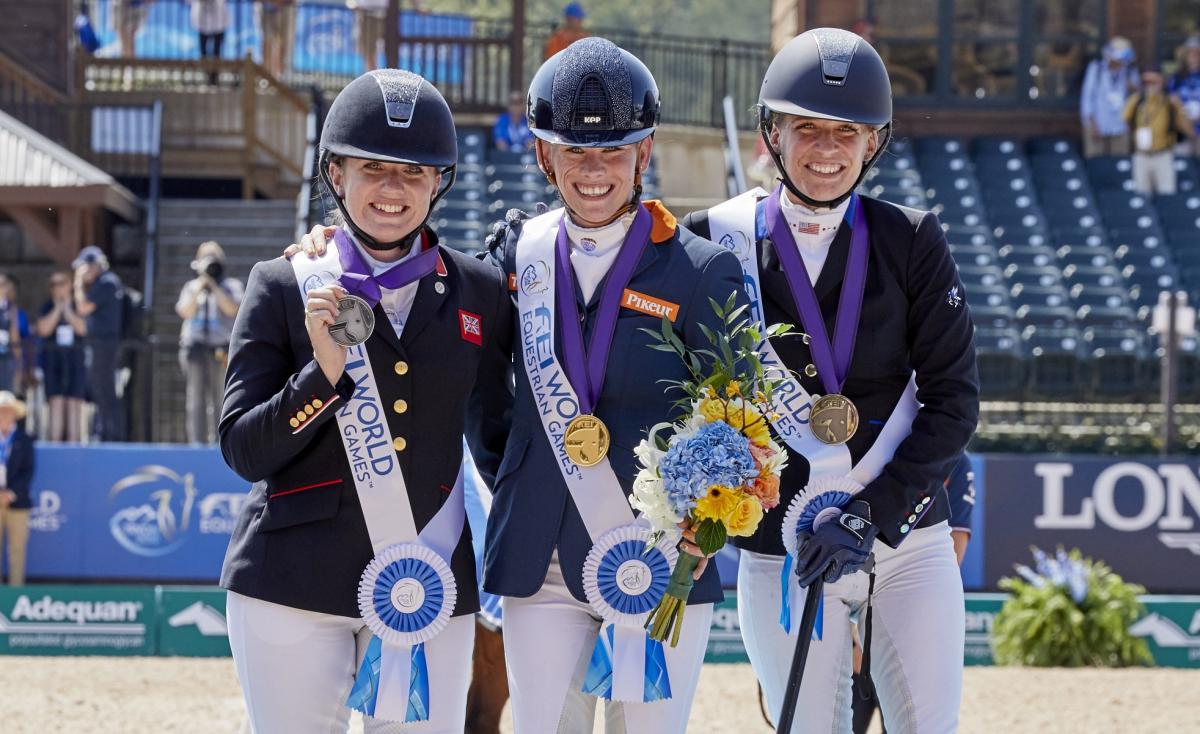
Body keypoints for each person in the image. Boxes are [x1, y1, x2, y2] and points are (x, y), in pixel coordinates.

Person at [682, 27, 979, 734]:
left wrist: (869, 514)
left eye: (846, 132)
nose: (825, 149)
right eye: (806, 128)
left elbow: (954, 400)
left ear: (872, 143)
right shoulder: (711, 241)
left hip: (905, 538)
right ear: (772, 135)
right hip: (780, 549)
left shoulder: (912, 240)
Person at [219, 69, 511, 732]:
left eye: (414, 172)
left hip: (428, 587)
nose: (392, 189)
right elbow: (243, 448)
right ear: (335, 174)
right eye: (372, 168)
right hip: (292, 587)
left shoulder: (481, 293)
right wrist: (321, 378)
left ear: (440, 182)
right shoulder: (284, 284)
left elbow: (499, 433)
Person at [483, 37, 745, 733]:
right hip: (536, 560)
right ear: (544, 156)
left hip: (661, 561)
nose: (593, 170)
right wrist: (525, 474)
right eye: (574, 151)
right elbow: (483, 401)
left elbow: (739, 417)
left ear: (645, 152)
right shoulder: (514, 255)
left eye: (613, 151)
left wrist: (702, 525)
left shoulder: (701, 270)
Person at [850, 453, 975, 734]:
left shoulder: (953, 459)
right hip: (850, 621)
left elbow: (953, 546)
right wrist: (852, 638)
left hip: (901, 614)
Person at [175, 241, 243, 444]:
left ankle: (219, 442)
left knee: (220, 397)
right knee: (195, 397)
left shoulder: (231, 286)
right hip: (194, 349)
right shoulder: (191, 287)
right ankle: (196, 442)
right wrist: (201, 285)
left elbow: (232, 309)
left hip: (220, 348)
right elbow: (184, 311)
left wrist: (213, 285)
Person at [73, 245, 126, 442]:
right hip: (101, 342)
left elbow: (83, 308)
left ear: (94, 265)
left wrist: (78, 283)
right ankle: (104, 430)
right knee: (99, 387)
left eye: (83, 267)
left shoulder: (107, 282)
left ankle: (111, 433)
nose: (81, 272)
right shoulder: (104, 283)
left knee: (105, 388)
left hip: (105, 342)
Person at [1124, 67, 1193, 196]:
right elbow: (1125, 121)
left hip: (1163, 154)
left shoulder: (1170, 102)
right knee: (1142, 195)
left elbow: (1187, 129)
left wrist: (1179, 107)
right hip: (1141, 155)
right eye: (1146, 83)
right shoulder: (1136, 100)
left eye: (1154, 82)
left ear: (1162, 82)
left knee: (1167, 194)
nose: (1150, 86)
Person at [37, 271, 88, 443]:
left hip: (74, 360)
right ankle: (55, 442)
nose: (58, 288)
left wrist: (68, 310)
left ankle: (74, 444)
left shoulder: (78, 306)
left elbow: (83, 329)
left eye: (62, 283)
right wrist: (58, 308)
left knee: (74, 403)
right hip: (53, 360)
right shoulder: (46, 307)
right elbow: (43, 329)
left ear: (70, 285)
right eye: (54, 285)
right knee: (56, 402)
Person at [1080, 36, 1140, 158]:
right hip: (1097, 124)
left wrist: (1131, 85)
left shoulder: (1129, 71)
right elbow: (1087, 98)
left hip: (1121, 126)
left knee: (1119, 163)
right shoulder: (1096, 68)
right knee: (1096, 163)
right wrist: (1091, 124)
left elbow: (1137, 97)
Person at [0, 392, 34, 586]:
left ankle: (15, 593)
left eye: (7, 411)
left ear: (14, 414)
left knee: (17, 550)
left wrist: (10, 494)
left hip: (18, 502)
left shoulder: (24, 439)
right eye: (0, 411)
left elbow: (28, 471)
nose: (3, 415)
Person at [1169, 35, 1200, 157]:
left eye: (1197, 53)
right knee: (1183, 164)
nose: (1194, 57)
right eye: (1190, 53)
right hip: (1182, 129)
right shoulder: (1177, 77)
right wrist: (1185, 122)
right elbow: (1172, 99)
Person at [190, 0, 229, 84]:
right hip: (202, 17)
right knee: (203, 51)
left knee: (216, 51)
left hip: (219, 17)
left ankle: (214, 77)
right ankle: (206, 75)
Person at [257, 0, 296, 79]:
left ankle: (280, 77)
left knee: (283, 43)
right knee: (267, 42)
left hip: (285, 8)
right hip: (267, 9)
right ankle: (266, 76)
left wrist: (279, 3)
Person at [0, 274, 23, 393]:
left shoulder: (10, 309)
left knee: (6, 397)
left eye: (3, 285)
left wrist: (19, 364)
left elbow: (15, 337)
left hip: (6, 358)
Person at [350, 0, 388, 72]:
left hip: (387, 15)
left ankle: (383, 78)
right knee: (368, 51)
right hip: (366, 14)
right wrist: (352, 4)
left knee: (391, 51)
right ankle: (374, 78)